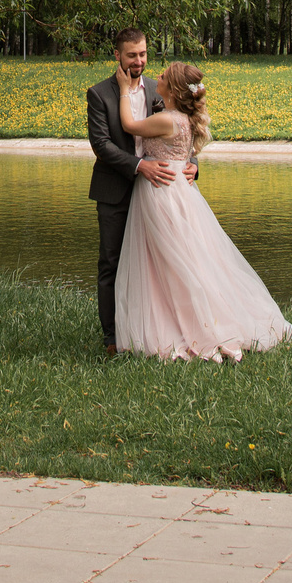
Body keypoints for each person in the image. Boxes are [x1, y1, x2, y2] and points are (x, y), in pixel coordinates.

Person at [112, 58, 292, 362]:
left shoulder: (168, 119)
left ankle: (187, 327)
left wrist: (122, 90)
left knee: (173, 263)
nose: (159, 76)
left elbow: (129, 125)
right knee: (186, 258)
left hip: (162, 194)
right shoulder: (182, 119)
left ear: (173, 88)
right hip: (180, 192)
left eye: (165, 76)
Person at [86, 29, 176, 354]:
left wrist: (192, 161)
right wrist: (139, 166)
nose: (138, 61)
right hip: (114, 192)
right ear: (117, 56)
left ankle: (147, 332)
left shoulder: (158, 89)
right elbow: (101, 145)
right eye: (131, 55)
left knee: (153, 265)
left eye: (143, 54)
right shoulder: (99, 94)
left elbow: (180, 125)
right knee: (111, 264)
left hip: (155, 195)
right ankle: (112, 338)